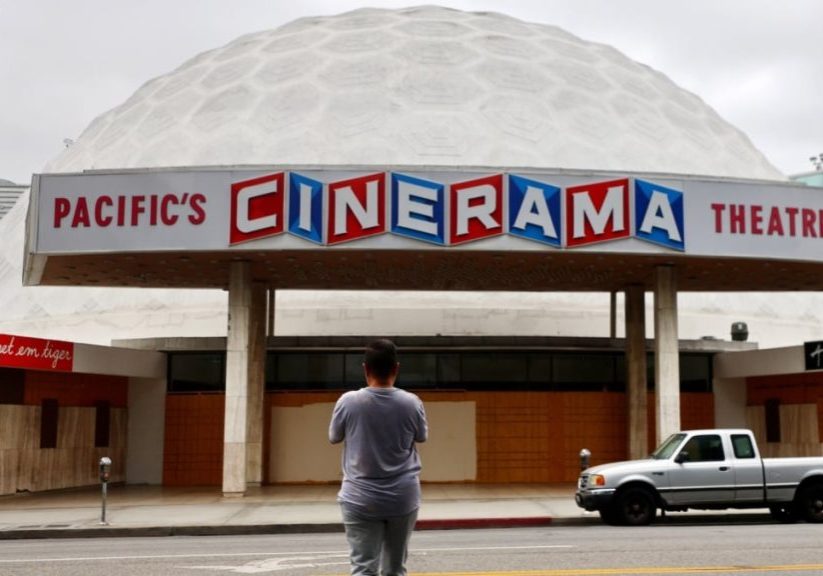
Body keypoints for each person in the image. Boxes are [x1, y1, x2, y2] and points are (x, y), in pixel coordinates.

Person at [329, 338, 428, 576]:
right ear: (396, 368)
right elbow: (421, 437)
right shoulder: (411, 402)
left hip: (359, 498)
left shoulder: (349, 401)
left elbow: (334, 437)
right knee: (395, 569)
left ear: (365, 369)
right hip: (402, 497)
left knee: (363, 569)